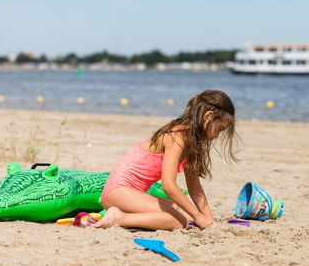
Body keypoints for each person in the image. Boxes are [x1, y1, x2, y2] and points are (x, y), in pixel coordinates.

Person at [92, 89, 238, 231]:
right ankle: (119, 218)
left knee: (186, 215)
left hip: (133, 194)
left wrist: (208, 219)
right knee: (181, 220)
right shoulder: (177, 137)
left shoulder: (192, 142)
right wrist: (197, 215)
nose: (217, 135)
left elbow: (194, 186)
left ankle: (126, 215)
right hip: (119, 192)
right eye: (219, 129)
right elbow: (168, 185)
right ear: (208, 116)